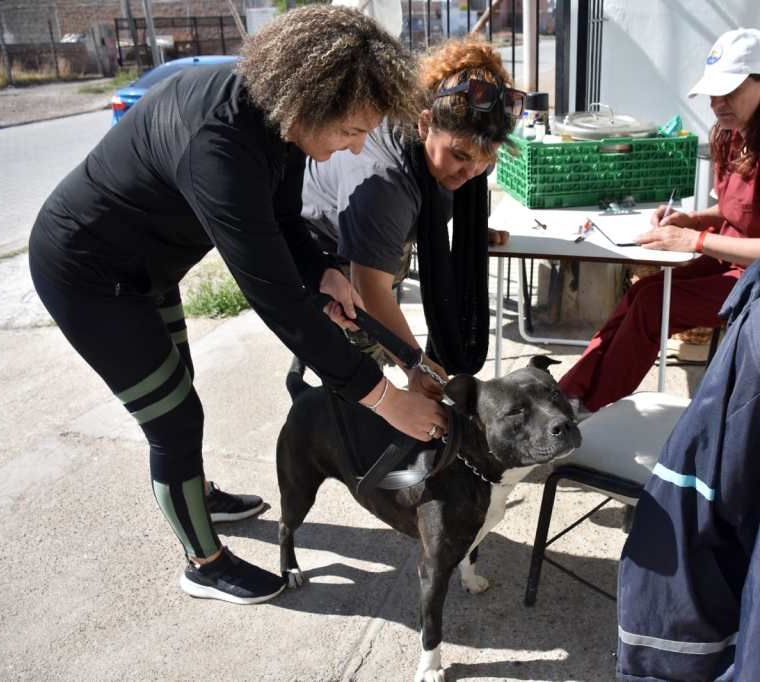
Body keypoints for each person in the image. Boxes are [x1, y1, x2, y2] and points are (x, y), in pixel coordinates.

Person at [28, 5, 448, 605]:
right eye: (351, 132)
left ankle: (193, 493)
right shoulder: (218, 145)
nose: (356, 148)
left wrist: (323, 271)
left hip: (148, 269)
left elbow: (280, 218)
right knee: (173, 416)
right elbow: (277, 301)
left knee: (180, 389)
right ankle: (203, 563)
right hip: (86, 275)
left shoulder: (279, 115)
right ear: (311, 101)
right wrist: (385, 400)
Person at [559, 28, 760, 414]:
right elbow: (738, 210)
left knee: (655, 304)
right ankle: (570, 391)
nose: (717, 103)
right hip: (745, 263)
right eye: (713, 92)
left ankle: (590, 406)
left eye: (729, 91)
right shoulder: (735, 132)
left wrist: (692, 241)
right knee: (643, 292)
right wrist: (692, 219)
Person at [300, 37, 520, 399]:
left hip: (383, 234)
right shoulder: (383, 183)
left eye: (486, 158)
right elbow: (369, 287)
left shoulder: (452, 156)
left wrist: (473, 230)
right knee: (360, 376)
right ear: (424, 125)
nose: (473, 171)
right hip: (327, 255)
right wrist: (412, 363)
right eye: (461, 155)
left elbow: (456, 180)